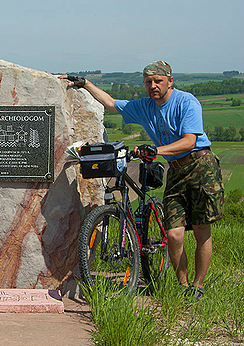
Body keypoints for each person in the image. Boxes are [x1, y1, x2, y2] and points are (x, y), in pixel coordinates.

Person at [58, 61, 224, 300]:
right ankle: (182, 285)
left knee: (200, 230)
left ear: (170, 81)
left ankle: (197, 286)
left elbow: (189, 141)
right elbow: (111, 103)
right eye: (148, 82)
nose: (153, 86)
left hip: (200, 166)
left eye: (158, 81)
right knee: (175, 234)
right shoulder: (145, 106)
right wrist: (85, 84)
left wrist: (155, 150)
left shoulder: (186, 102)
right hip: (176, 170)